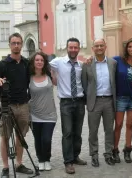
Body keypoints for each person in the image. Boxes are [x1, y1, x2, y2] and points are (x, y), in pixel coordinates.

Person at [0, 33, 33, 178]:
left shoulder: (26, 63)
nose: (16, 45)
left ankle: (19, 163)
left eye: (18, 43)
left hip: (23, 106)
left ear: (22, 45)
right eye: (13, 43)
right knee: (4, 136)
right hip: (7, 106)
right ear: (9, 45)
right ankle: (5, 168)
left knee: (20, 136)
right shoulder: (2, 64)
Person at [49, 37, 87, 174]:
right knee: (68, 132)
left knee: (78, 132)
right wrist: (52, 76)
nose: (73, 50)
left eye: (75, 47)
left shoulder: (81, 65)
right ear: (67, 48)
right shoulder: (58, 62)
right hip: (65, 103)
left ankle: (75, 156)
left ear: (79, 49)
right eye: (71, 47)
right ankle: (68, 161)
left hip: (79, 102)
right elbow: (41, 64)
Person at [81, 39, 116, 167]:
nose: (99, 47)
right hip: (94, 102)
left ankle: (108, 154)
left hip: (108, 101)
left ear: (105, 47)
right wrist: (89, 98)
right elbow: (85, 84)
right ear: (93, 48)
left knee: (109, 130)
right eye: (97, 46)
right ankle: (94, 155)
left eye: (101, 45)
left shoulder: (113, 63)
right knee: (93, 131)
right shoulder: (87, 64)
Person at [112, 38, 132, 163]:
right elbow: (103, 62)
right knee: (118, 125)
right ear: (126, 48)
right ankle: (115, 150)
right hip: (120, 98)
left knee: (130, 125)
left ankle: (127, 150)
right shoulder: (117, 60)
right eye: (130, 47)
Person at [28, 52, 57, 171]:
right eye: (37, 60)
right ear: (33, 62)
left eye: (41, 60)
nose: (39, 62)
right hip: (34, 115)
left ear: (44, 62)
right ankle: (41, 159)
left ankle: (47, 159)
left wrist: (53, 71)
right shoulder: (28, 77)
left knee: (46, 139)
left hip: (50, 114)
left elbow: (56, 83)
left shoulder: (49, 75)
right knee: (38, 139)